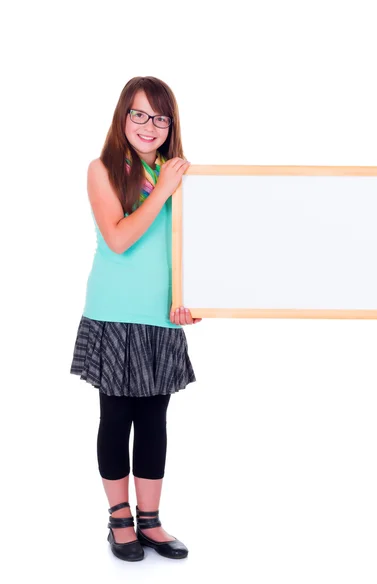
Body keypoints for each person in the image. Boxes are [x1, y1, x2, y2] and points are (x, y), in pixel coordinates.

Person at [70, 76, 200, 562]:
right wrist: (164, 189)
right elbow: (119, 238)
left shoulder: (181, 174)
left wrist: (195, 296)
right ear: (123, 117)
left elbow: (194, 246)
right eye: (140, 114)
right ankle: (119, 520)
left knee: (154, 420)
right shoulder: (103, 169)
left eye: (160, 117)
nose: (150, 125)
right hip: (115, 314)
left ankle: (151, 520)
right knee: (116, 416)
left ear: (171, 125)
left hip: (162, 317)